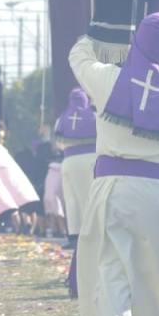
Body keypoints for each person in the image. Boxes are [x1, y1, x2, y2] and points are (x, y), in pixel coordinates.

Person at [69, 12, 159, 316]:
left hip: (113, 191)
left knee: (111, 278)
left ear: (136, 41)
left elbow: (77, 57)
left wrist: (100, 30)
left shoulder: (110, 79)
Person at [53, 87, 98, 297]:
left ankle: (75, 232)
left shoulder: (62, 118)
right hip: (90, 159)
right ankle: (90, 227)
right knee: (89, 197)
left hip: (69, 161)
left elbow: (58, 142)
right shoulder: (94, 115)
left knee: (71, 200)